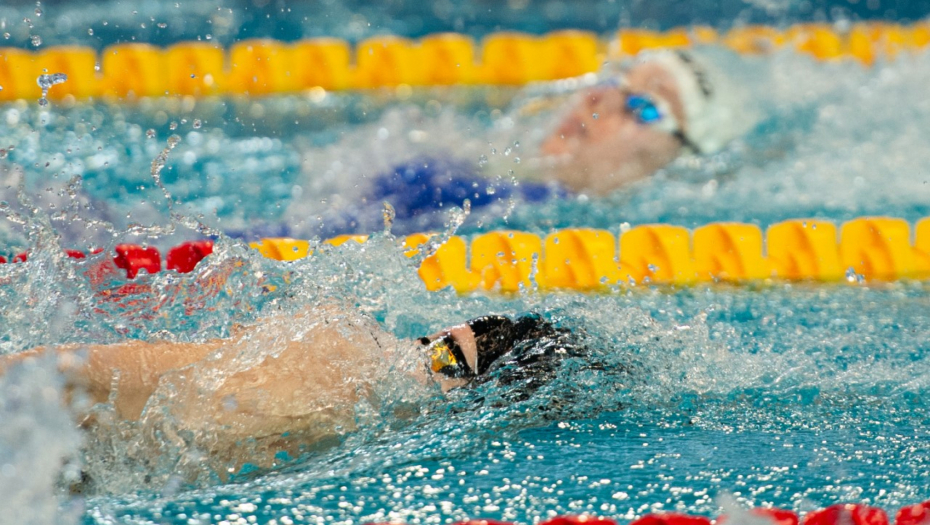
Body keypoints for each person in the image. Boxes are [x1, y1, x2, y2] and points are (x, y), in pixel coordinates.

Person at [1, 305, 584, 485]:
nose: (417, 354)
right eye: (430, 339)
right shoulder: (336, 360)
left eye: (444, 358)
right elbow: (53, 376)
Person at [306, 49, 750, 237]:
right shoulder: (504, 192)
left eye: (644, 107)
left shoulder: (531, 214)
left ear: (682, 163)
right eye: (616, 80)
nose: (596, 97)